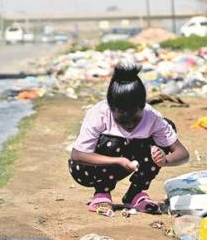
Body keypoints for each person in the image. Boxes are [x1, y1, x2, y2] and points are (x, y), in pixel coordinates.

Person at [69, 59, 190, 213]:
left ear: (143, 106)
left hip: (127, 164)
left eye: (134, 115)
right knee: (112, 142)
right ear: (111, 107)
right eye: (121, 115)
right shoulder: (99, 113)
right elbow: (77, 155)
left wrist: (164, 160)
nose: (129, 122)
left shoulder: (152, 117)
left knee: (167, 127)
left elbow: (183, 153)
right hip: (87, 170)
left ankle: (135, 194)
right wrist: (118, 160)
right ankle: (102, 193)